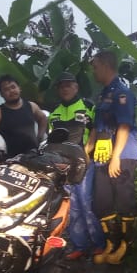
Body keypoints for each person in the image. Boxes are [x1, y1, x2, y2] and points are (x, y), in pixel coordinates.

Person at [88, 50, 137, 264]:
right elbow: (97, 126)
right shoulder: (103, 95)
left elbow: (124, 125)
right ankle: (111, 243)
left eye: (95, 67)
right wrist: (87, 151)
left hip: (122, 154)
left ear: (105, 66)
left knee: (125, 201)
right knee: (102, 202)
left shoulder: (122, 93)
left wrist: (116, 157)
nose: (93, 71)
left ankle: (127, 247)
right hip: (102, 155)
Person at [47, 72, 105, 260]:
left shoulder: (88, 106)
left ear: (76, 87)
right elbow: (50, 139)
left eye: (69, 85)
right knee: (71, 206)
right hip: (63, 165)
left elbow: (96, 128)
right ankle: (79, 245)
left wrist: (88, 151)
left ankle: (99, 243)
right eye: (62, 86)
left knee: (87, 203)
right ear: (58, 89)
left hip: (84, 163)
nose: (65, 88)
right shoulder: (54, 112)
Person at [0, 74, 47, 158]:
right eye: (6, 89)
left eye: (13, 87)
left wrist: (40, 136)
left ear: (19, 88)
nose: (11, 91)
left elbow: (42, 118)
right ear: (1, 94)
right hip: (10, 162)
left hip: (33, 158)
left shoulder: (31, 106)